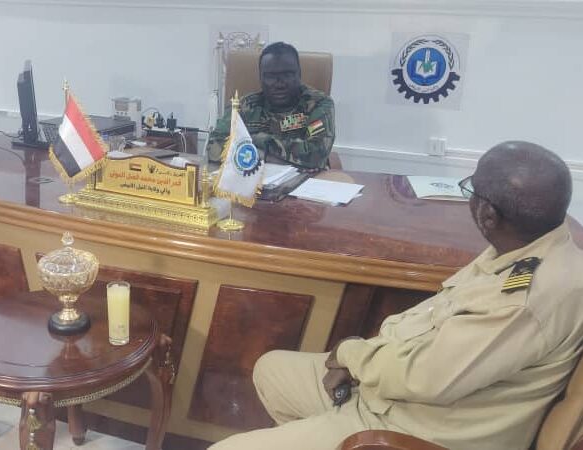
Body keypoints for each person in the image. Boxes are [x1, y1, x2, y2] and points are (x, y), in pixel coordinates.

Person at [211, 141, 583, 450]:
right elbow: (433, 319)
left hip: (415, 427)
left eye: (471, 188)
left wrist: (350, 355)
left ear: (488, 215)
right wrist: (363, 358)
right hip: (399, 392)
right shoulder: (531, 246)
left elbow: (424, 378)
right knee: (272, 369)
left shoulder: (523, 298)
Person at [206, 41, 335, 171]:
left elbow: (316, 154)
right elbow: (214, 147)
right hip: (252, 178)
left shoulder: (317, 104)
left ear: (299, 75)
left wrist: (255, 144)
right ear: (261, 78)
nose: (279, 84)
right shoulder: (246, 106)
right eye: (270, 76)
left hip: (304, 181)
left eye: (287, 75)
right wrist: (266, 157)